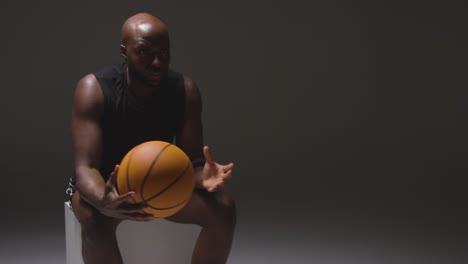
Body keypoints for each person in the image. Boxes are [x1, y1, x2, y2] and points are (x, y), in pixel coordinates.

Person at [66, 12, 236, 264]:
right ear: (125, 52)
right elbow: (85, 168)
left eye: (164, 52)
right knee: (94, 221)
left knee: (223, 208)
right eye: (145, 52)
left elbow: (194, 162)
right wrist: (104, 199)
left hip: (160, 183)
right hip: (107, 186)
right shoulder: (94, 89)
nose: (157, 62)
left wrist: (202, 176)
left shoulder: (185, 90)